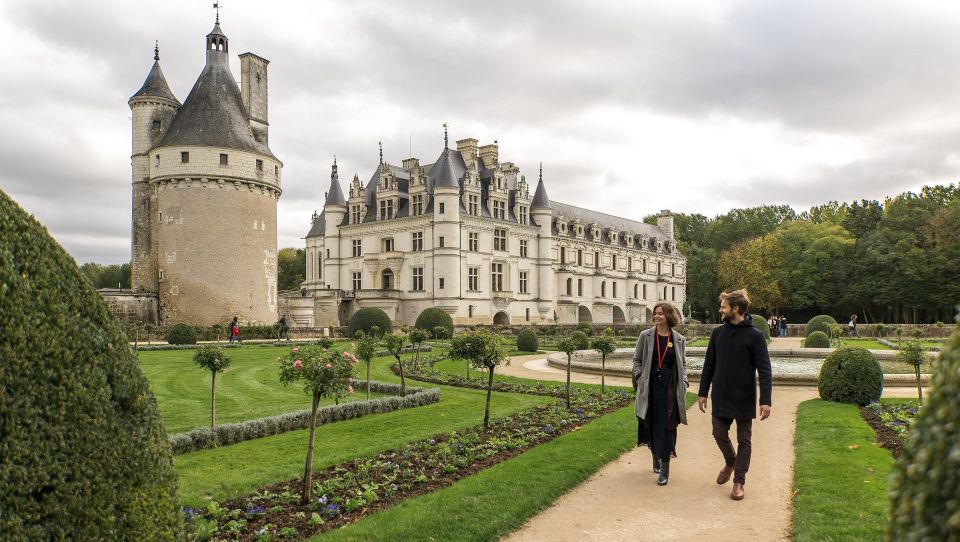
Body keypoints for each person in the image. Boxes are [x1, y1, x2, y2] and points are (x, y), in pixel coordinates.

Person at [697, 289, 773, 500]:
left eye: (723, 307)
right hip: (720, 394)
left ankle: (739, 481)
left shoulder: (755, 336)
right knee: (718, 433)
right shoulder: (717, 333)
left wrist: (765, 401)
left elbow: (765, 370)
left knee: (744, 440)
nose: (720, 310)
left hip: (744, 395)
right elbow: (709, 364)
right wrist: (703, 392)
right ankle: (731, 461)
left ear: (735, 309)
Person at [633, 301, 689, 486]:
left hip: (670, 388)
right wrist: (639, 377)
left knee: (667, 427)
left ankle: (665, 467)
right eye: (655, 313)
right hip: (651, 387)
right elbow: (637, 360)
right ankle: (655, 455)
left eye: (660, 313)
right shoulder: (646, 336)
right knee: (650, 423)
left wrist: (685, 381)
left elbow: (683, 365)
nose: (656, 316)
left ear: (669, 316)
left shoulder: (678, 339)